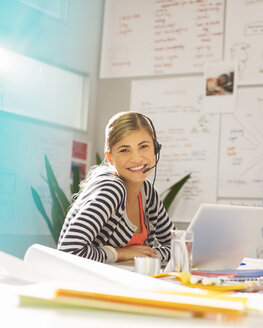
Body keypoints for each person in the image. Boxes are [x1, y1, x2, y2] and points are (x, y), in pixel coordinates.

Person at [58, 111, 175, 264]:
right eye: (124, 150)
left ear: (155, 149)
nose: (136, 158)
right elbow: (69, 251)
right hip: (87, 283)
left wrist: (142, 256)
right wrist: (120, 253)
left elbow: (177, 247)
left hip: (123, 282)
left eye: (143, 146)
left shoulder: (148, 193)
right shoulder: (110, 190)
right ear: (110, 158)